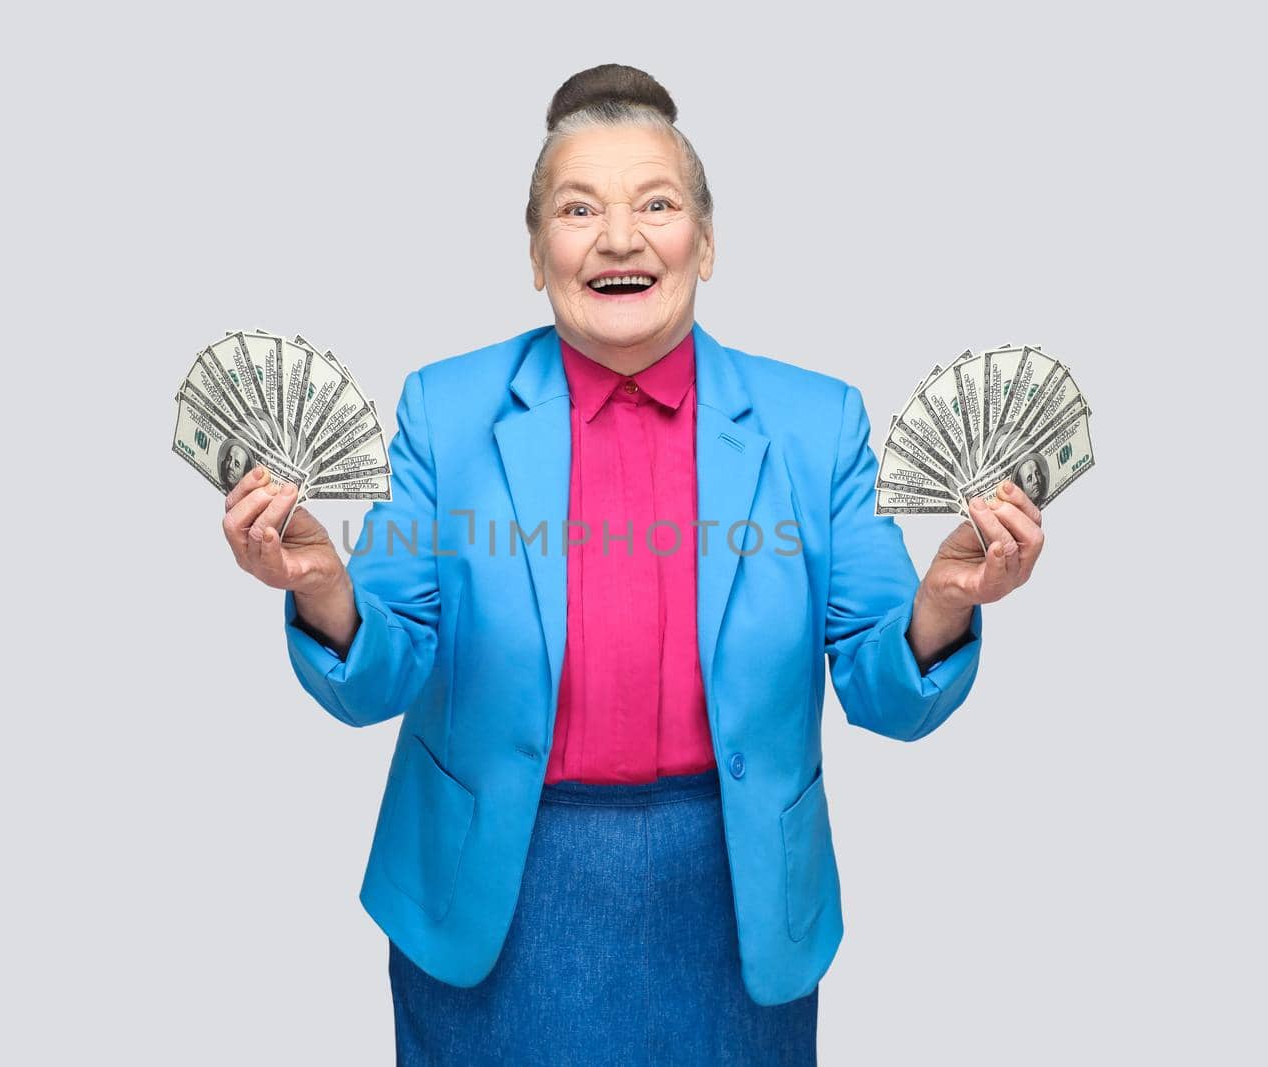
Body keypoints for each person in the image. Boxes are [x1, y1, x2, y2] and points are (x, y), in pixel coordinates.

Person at [219, 63, 1048, 1065]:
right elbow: (378, 676)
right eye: (578, 209)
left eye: (656, 204)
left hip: (736, 888)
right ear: (536, 252)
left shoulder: (813, 422)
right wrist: (321, 582)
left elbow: (886, 692)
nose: (619, 237)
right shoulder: (446, 409)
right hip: (496, 886)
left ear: (706, 238)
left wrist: (945, 602)